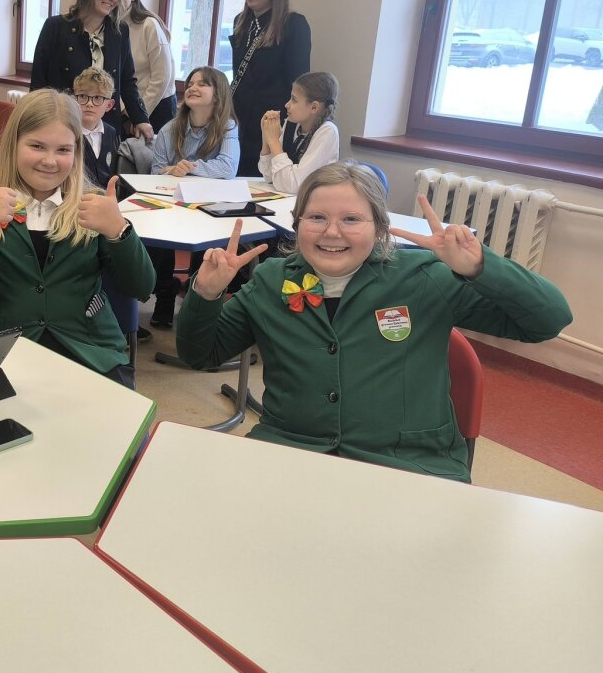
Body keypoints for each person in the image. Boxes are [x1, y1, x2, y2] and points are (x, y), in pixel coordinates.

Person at [176, 161, 572, 482]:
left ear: (380, 228)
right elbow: (200, 354)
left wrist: (481, 267)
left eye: (351, 219)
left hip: (407, 464)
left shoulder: (424, 277)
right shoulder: (270, 280)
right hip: (289, 453)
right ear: (297, 225)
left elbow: (547, 320)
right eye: (317, 217)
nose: (332, 232)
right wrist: (206, 294)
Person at [0, 89, 155, 389]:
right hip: (7, 352)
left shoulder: (93, 204)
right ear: (13, 144)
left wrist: (119, 231)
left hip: (90, 350)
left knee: (110, 415)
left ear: (76, 151)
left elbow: (141, 287)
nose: (50, 161)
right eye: (37, 146)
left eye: (63, 150)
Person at [147, 66, 240, 328]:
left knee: (208, 242)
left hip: (209, 205)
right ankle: (165, 296)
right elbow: (156, 172)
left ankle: (195, 301)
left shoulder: (228, 126)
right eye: (190, 83)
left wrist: (189, 167)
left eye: (202, 84)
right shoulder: (170, 128)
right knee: (162, 239)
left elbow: (228, 167)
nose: (192, 88)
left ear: (218, 95)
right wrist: (171, 170)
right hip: (171, 203)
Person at [30, 0, 155, 143]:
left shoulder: (120, 32)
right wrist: (37, 126)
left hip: (106, 130)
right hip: (63, 126)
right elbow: (39, 85)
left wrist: (140, 118)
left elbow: (127, 81)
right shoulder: (55, 27)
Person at [229, 0, 311, 176]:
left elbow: (299, 85)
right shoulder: (240, 22)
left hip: (271, 127)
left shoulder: (293, 25)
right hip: (238, 126)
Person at [258, 71, 340, 193]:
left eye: (294, 100)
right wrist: (267, 138)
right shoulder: (291, 123)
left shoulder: (327, 132)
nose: (287, 104)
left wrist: (274, 142)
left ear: (314, 107)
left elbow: (293, 185)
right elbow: (269, 176)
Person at [119, 0, 177, 132]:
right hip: (128, 105)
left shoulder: (148, 24)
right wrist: (126, 109)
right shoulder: (112, 26)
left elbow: (162, 77)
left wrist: (139, 115)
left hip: (157, 104)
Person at [73, 67, 120, 188]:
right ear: (74, 100)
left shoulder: (111, 132)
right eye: (83, 96)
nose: (89, 103)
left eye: (98, 98)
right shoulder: (69, 132)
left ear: (109, 105)